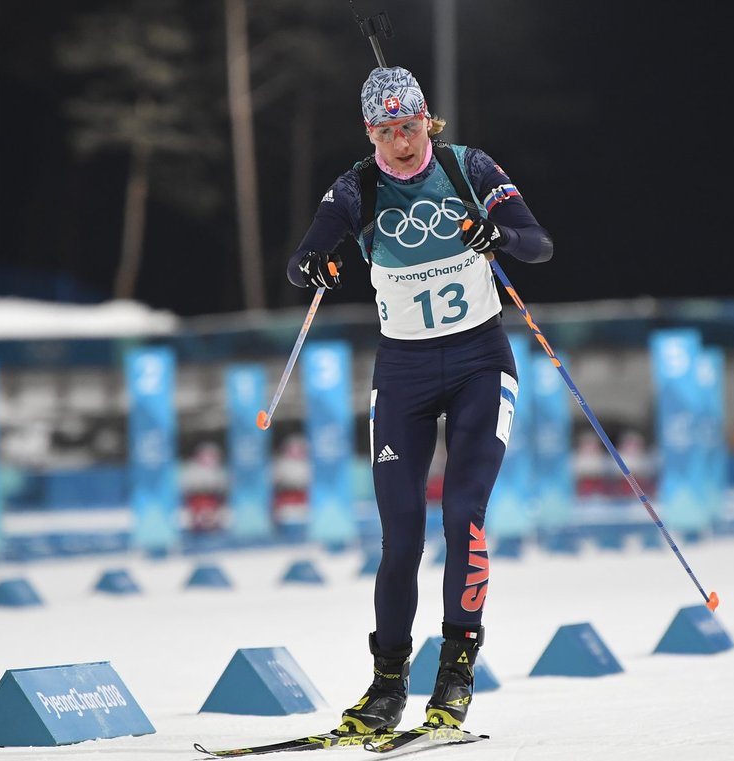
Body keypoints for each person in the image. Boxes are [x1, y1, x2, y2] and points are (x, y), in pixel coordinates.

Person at [286, 66, 552, 732]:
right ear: (369, 131)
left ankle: (456, 673)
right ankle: (385, 685)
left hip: (480, 364)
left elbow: (538, 244)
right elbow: (303, 259)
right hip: (402, 373)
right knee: (400, 535)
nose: (401, 144)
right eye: (386, 131)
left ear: (426, 120)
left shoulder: (469, 167)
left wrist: (500, 237)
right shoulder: (356, 187)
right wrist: (315, 265)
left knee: (463, 510)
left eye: (409, 128)